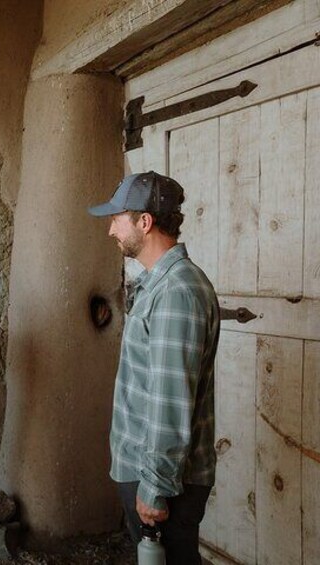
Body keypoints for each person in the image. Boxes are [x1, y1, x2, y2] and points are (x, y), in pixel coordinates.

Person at [88, 171, 220, 564]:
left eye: (117, 219)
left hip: (162, 480)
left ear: (144, 222)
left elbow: (169, 402)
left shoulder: (177, 292)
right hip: (149, 470)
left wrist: (155, 486)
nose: (111, 229)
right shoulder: (162, 285)